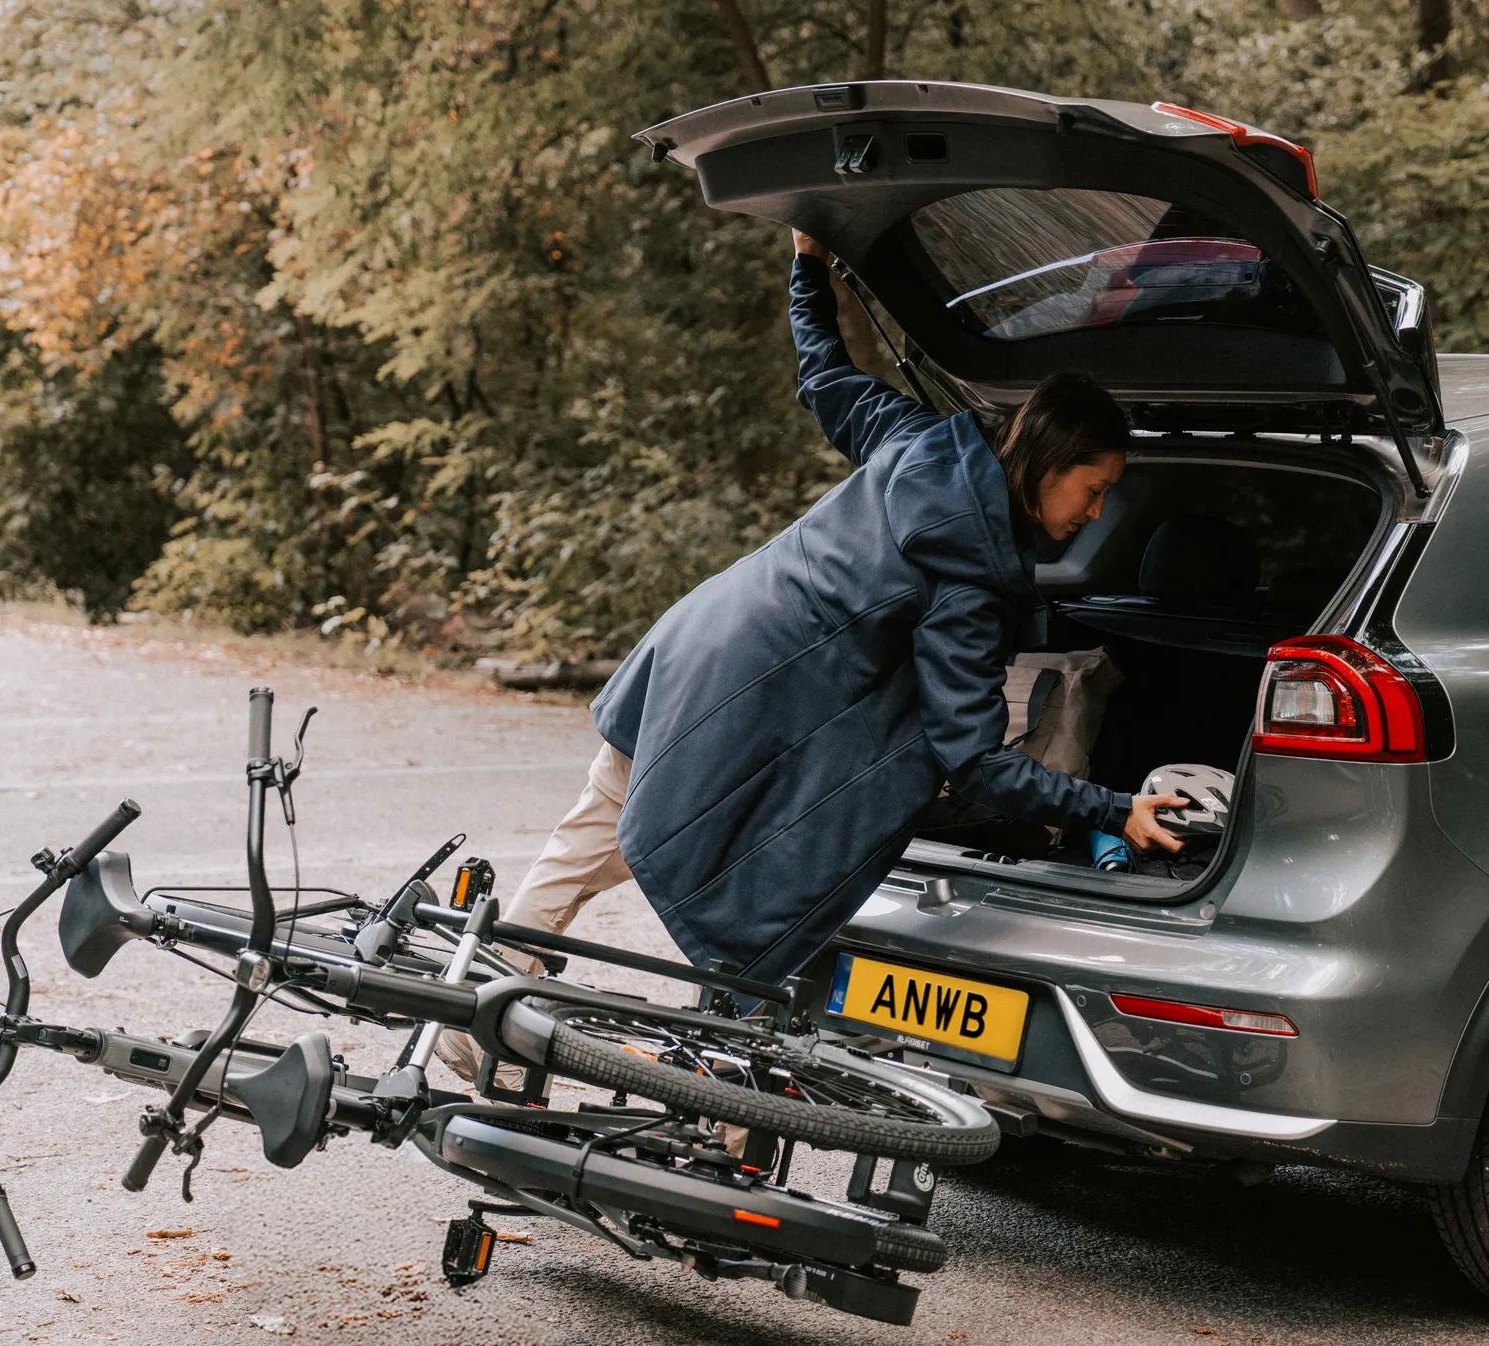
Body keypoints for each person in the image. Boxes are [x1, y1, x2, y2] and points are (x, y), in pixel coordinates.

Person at [438, 229, 1184, 1081]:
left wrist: (807, 268)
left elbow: (824, 376)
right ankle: (719, 1113)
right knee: (750, 902)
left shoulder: (923, 442)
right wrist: (1110, 808)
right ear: (1050, 461)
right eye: (1093, 491)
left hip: (700, 643)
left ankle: (473, 1022)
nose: (1094, 512)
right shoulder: (974, 575)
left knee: (588, 838)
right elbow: (970, 759)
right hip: (756, 699)